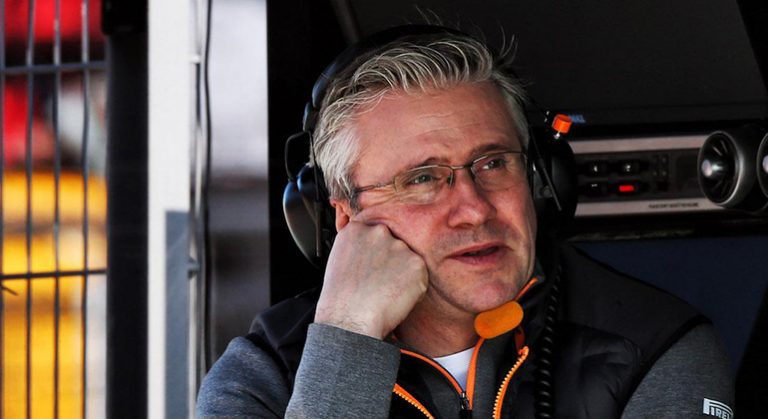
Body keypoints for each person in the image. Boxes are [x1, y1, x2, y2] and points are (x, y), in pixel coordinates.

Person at [197, 27, 734, 418]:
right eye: (422, 178)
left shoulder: (654, 346)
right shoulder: (264, 374)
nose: (474, 209)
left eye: (494, 164)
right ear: (344, 216)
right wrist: (348, 340)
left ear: (541, 178)